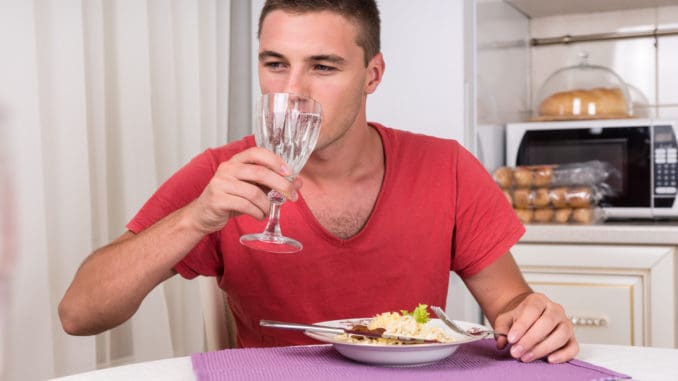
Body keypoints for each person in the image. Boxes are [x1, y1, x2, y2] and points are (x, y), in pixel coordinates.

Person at [59, 0, 578, 364]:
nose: (292, 91)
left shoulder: (447, 167)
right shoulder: (224, 173)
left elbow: (510, 307)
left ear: (372, 75)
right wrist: (196, 217)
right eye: (275, 64)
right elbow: (79, 314)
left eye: (323, 67)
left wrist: (536, 318)